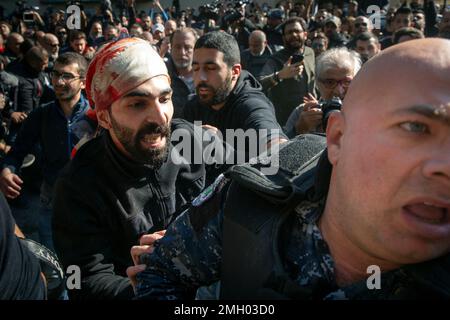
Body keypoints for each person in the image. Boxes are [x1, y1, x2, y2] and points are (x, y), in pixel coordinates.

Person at [134, 38, 450, 300]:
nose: (445, 166)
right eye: (416, 128)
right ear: (338, 137)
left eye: (210, 67)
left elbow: (269, 140)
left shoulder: (252, 107)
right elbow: (159, 277)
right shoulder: (253, 198)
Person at [52, 38, 207, 300]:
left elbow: (251, 172)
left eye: (164, 98)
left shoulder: (189, 139)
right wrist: (139, 288)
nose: (160, 118)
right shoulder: (78, 185)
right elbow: (82, 279)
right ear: (104, 117)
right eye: (138, 104)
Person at [0, 52, 94, 252]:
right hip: (51, 201)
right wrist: (7, 170)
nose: (59, 82)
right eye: (55, 74)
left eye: (67, 76)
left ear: (83, 82)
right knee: (53, 263)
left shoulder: (96, 117)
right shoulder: (40, 115)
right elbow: (17, 151)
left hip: (89, 201)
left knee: (86, 259)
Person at [182, 31, 286, 179]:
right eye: (196, 68)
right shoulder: (193, 106)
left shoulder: (252, 105)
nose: (201, 78)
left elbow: (281, 154)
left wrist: (221, 149)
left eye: (211, 68)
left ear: (235, 71)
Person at [284, 47, 361, 138]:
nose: (338, 91)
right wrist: (298, 130)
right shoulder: (303, 113)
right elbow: (277, 150)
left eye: (347, 82)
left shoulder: (365, 112)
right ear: (317, 83)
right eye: (330, 82)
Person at [259, 17, 316, 125]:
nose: (294, 35)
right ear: (284, 37)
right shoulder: (275, 59)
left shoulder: (310, 53)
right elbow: (259, 83)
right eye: (289, 32)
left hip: (311, 116)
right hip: (286, 122)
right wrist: (279, 75)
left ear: (305, 34)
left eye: (297, 31)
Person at [166, 28, 197, 118]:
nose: (182, 52)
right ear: (171, 48)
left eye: (187, 47)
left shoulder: (208, 75)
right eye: (177, 47)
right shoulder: (161, 76)